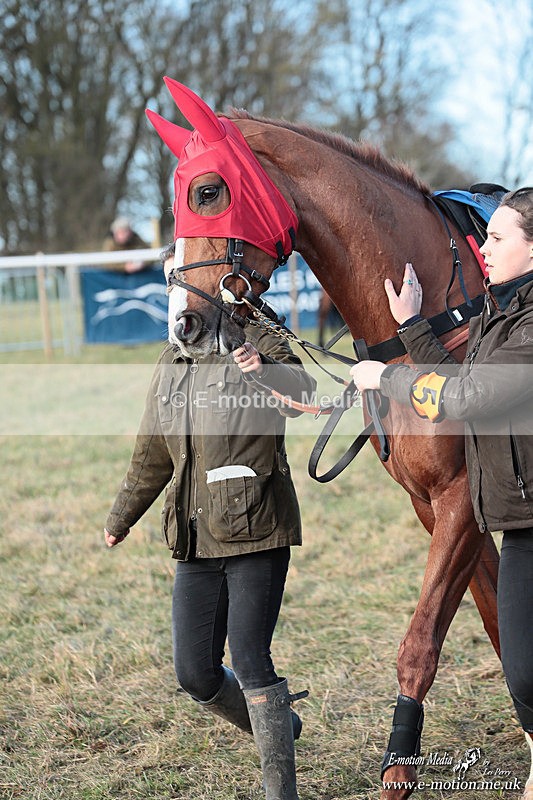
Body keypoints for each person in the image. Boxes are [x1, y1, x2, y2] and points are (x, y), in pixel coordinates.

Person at [104, 243, 316, 800]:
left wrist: (261, 366)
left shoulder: (258, 330)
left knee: (249, 659)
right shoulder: (172, 358)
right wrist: (122, 515)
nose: (182, 286)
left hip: (256, 528)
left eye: (189, 272)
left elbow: (302, 393)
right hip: (195, 537)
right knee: (195, 673)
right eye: (174, 275)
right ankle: (280, 728)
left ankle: (280, 789)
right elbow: (153, 450)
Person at [349, 187, 533, 778]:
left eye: (497, 238)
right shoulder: (498, 311)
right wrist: (411, 325)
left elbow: (465, 397)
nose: (483, 247)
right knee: (526, 668)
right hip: (519, 523)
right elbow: (456, 375)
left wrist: (386, 378)